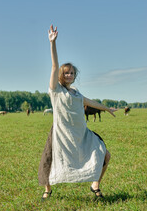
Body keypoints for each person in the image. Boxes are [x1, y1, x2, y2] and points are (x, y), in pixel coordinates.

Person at [39, 25, 115, 200]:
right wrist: (52, 43)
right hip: (61, 133)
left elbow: (91, 102)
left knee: (105, 154)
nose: (69, 75)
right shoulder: (56, 90)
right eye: (66, 73)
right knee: (48, 161)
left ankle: (95, 184)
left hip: (81, 133)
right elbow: (54, 65)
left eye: (72, 73)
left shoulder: (76, 93)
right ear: (61, 75)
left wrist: (107, 108)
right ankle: (47, 190)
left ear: (75, 75)